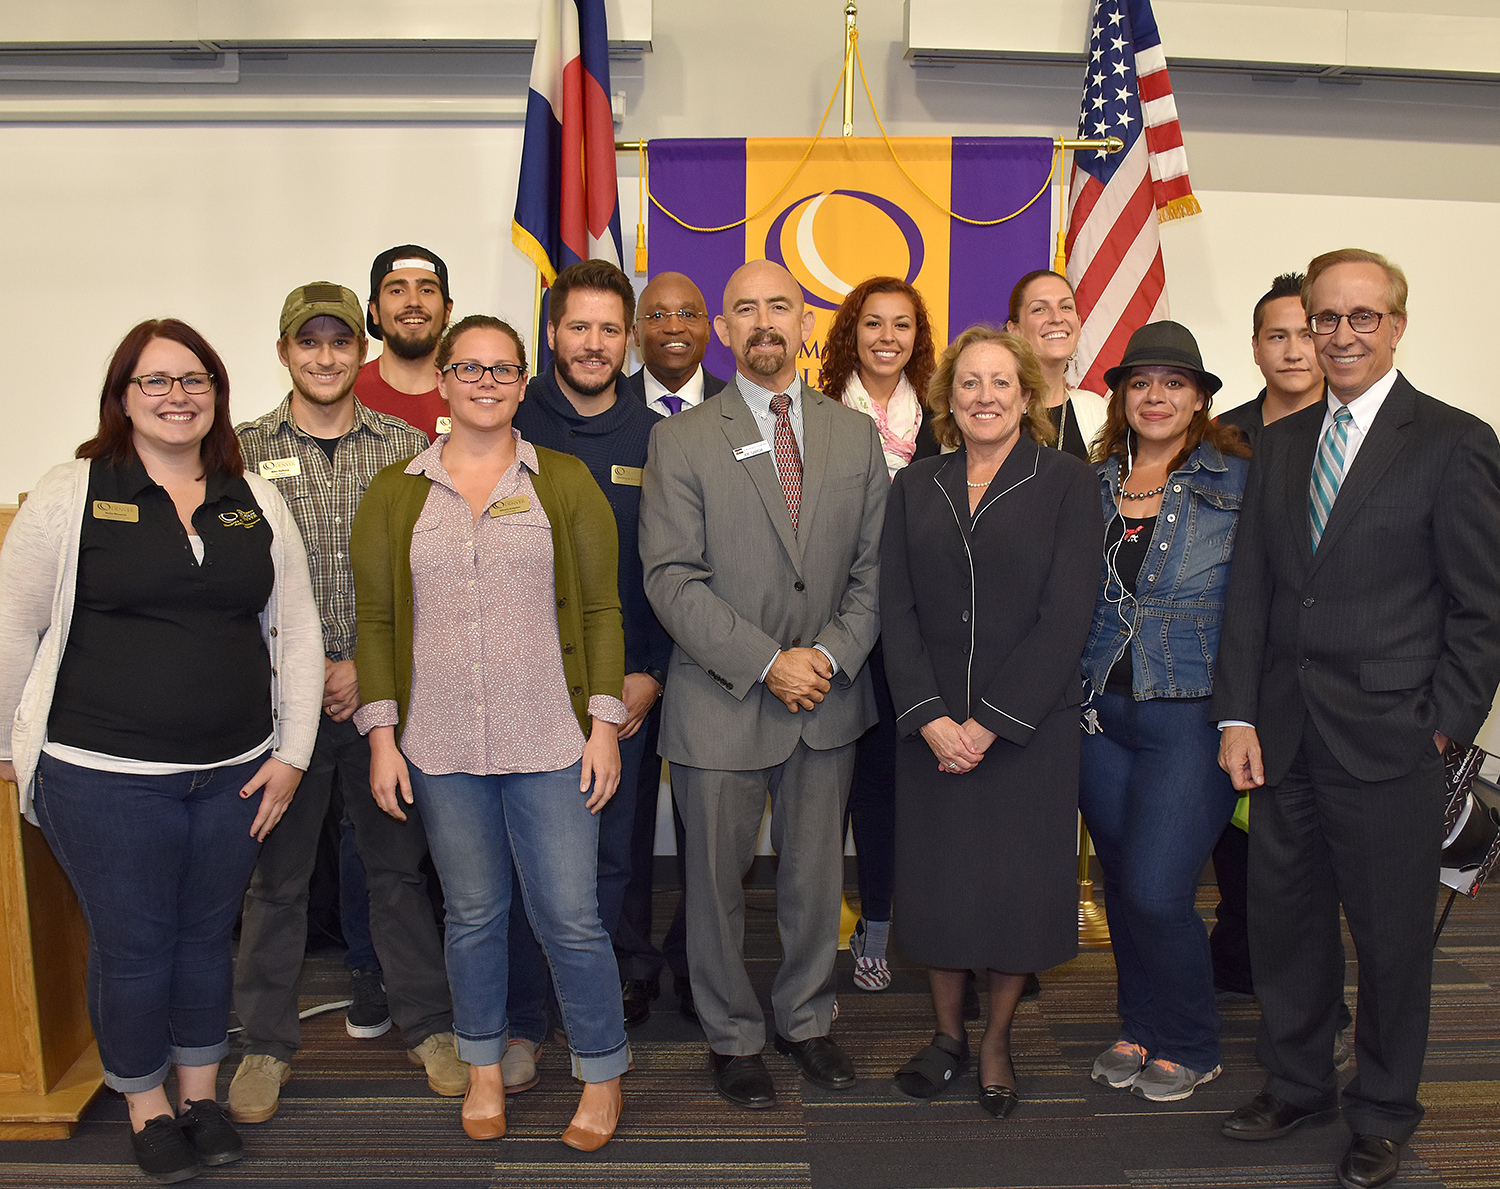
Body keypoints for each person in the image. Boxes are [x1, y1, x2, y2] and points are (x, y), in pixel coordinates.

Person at [0, 319, 322, 1183]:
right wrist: (5, 747)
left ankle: (202, 1095)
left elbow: (294, 634)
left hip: (234, 773)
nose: (178, 395)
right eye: (157, 381)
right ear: (123, 397)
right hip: (102, 778)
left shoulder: (253, 494)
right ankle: (145, 1104)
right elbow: (12, 627)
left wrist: (291, 752)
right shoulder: (70, 492)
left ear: (217, 394)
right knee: (135, 944)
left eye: (196, 380)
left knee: (205, 936)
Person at [1215, 249, 1500, 1189]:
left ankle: (1382, 1111)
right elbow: (1252, 592)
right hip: (1285, 736)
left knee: (1388, 944)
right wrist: (1238, 717)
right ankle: (1297, 1081)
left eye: (1359, 318)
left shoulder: (1454, 442)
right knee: (1284, 927)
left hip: (1392, 742)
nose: (1339, 335)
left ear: (1396, 325)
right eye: (1323, 319)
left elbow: (1480, 607)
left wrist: (1443, 727)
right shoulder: (1284, 442)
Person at [351, 313, 630, 1151]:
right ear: (442, 378)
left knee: (570, 918)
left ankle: (602, 1073)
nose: (484, 381)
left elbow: (601, 609)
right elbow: (373, 622)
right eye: (468, 367)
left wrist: (605, 724)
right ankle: (481, 1070)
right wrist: (381, 736)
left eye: (502, 369)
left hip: (552, 739)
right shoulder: (398, 490)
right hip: (440, 745)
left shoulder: (566, 480)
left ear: (522, 381)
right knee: (472, 914)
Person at [639, 259, 887, 1110]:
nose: (763, 321)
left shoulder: (854, 437)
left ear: (807, 320)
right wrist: (766, 660)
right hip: (722, 699)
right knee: (712, 887)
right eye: (743, 308)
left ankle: (807, 1020)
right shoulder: (679, 438)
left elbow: (876, 570)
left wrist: (829, 654)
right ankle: (733, 1035)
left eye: (779, 305)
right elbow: (670, 578)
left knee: (816, 881)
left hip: (828, 697)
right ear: (723, 330)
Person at [229, 283, 464, 1125]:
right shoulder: (242, 451)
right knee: (278, 880)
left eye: (340, 343)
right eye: (308, 343)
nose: (325, 357)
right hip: (279, 709)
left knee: (398, 873)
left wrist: (365, 667)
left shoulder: (406, 446)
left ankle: (431, 1027)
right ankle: (263, 1043)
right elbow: (227, 582)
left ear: (360, 351)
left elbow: (431, 573)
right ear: (286, 351)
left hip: (382, 702)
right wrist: (303, 671)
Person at [881, 326, 1099, 1118]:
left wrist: (992, 723)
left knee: (1014, 889)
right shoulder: (915, 484)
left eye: (1000, 382)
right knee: (940, 886)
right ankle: (945, 1034)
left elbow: (1067, 613)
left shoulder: (1070, 483)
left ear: (1028, 394)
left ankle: (997, 1038)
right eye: (968, 383)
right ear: (948, 396)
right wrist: (932, 718)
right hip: (931, 732)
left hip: (1027, 733)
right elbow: (894, 609)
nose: (984, 396)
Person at [1076, 321, 1251, 1103]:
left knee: (1157, 888)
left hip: (1189, 711)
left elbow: (1261, 605)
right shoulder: (1087, 481)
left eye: (1174, 383)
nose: (1156, 396)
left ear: (1201, 398)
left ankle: (1191, 1037)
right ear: (1120, 395)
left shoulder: (1238, 479)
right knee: (1120, 880)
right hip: (1095, 714)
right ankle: (1139, 1022)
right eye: (1141, 382)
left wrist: (1247, 712)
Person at [512, 259, 672, 1047]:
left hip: (625, 684)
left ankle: (599, 990)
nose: (594, 343)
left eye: (611, 329)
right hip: (520, 683)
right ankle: (528, 997)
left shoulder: (659, 436)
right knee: (524, 855)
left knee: (613, 852)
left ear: (630, 341)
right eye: (579, 326)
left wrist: (653, 674)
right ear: (551, 333)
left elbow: (678, 565)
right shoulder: (508, 419)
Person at [817, 276, 939, 991]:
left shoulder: (944, 423)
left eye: (902, 325)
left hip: (913, 633)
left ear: (917, 338)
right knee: (828, 788)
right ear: (850, 334)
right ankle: (814, 933)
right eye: (873, 324)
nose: (887, 337)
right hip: (836, 629)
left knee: (891, 787)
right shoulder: (820, 416)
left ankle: (882, 923)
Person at [614, 269, 727, 1026]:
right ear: (636, 331)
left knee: (709, 828)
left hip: (716, 658)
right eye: (659, 314)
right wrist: (641, 665)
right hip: (625, 662)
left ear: (709, 324)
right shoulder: (609, 412)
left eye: (690, 311)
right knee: (618, 825)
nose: (675, 325)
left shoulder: (741, 410)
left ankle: (697, 960)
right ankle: (628, 962)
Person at [1210, 272, 1326, 1003]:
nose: (1293, 349)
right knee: (1238, 840)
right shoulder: (1220, 438)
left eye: (1305, 332)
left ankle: (1313, 986)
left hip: (1329, 679)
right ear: (1255, 348)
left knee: (1316, 859)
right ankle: (1238, 957)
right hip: (1237, 664)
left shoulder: (1359, 434)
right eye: (1276, 335)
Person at [1005, 270, 1109, 461]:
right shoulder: (991, 407)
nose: (1056, 318)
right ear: (1014, 330)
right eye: (1039, 309)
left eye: (1066, 307)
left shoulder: (1097, 411)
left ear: (1078, 324)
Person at [354, 244, 454, 439]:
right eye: (397, 291)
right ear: (374, 311)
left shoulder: (474, 392)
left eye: (426, 290)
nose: (413, 302)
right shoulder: (346, 394)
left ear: (447, 311)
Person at [1217, 272, 1326, 451]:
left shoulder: (1354, 427)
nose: (1293, 354)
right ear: (1256, 348)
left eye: (1307, 336)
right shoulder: (1220, 434)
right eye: (1278, 337)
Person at [623, 270, 727, 414]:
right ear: (636, 333)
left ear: (707, 330)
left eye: (688, 314)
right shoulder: (612, 403)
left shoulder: (740, 406)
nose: (674, 328)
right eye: (657, 315)